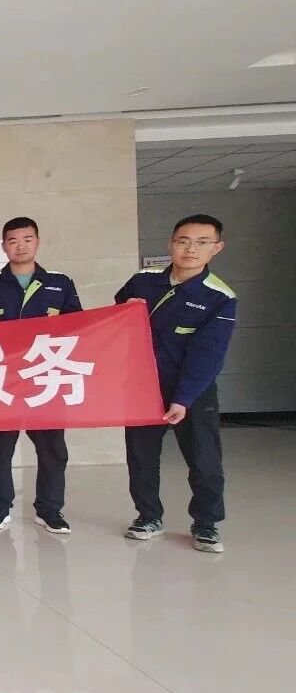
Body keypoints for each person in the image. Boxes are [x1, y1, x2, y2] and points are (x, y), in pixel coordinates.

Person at [116, 213, 236, 553]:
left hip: (192, 391)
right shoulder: (144, 280)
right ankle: (148, 516)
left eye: (201, 243)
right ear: (171, 244)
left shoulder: (219, 297)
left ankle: (206, 524)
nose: (190, 249)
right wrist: (126, 307)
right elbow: (118, 310)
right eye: (183, 241)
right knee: (141, 457)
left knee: (204, 459)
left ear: (216, 248)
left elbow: (208, 355)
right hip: (142, 387)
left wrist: (182, 398)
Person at [0, 217, 82, 534]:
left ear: (37, 242)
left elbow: (79, 327)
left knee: (52, 449)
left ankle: (50, 510)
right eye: (13, 241)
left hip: (45, 378)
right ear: (4, 246)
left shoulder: (60, 283)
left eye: (27, 239)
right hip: (3, 381)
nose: (20, 246)